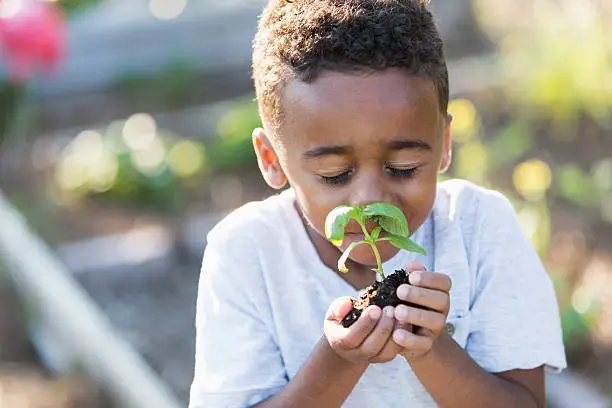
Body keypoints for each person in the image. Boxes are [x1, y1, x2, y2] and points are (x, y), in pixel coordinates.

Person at [188, 0, 567, 407]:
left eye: (403, 168)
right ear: (271, 160)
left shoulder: (480, 228)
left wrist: (432, 348)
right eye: (335, 175)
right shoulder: (246, 252)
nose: (369, 200)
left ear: (444, 145)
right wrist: (338, 360)